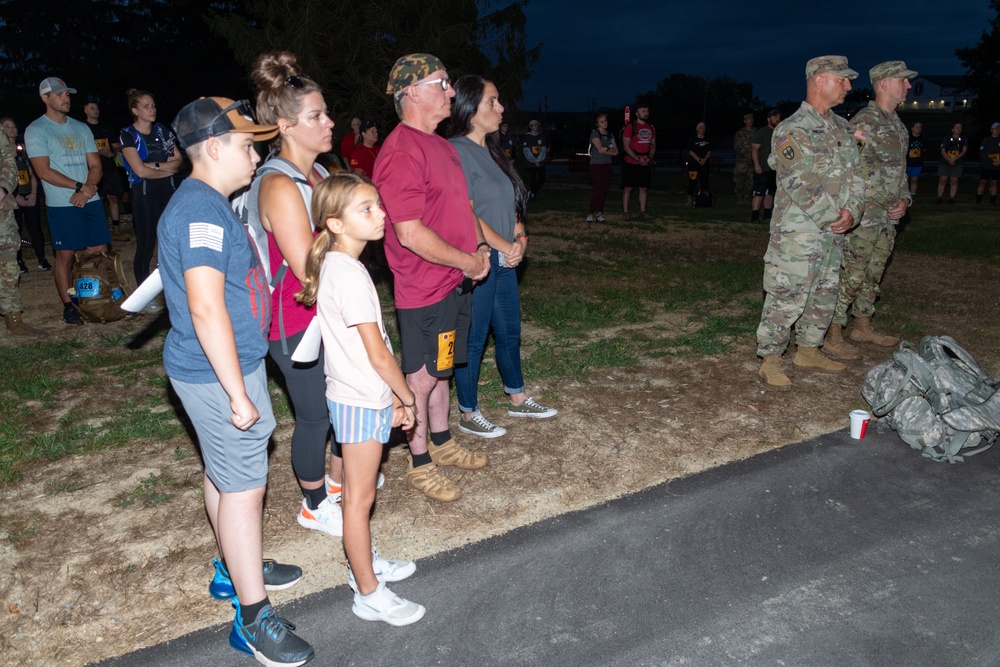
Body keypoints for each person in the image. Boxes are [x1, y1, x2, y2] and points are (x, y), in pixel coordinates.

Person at [160, 96, 314, 665]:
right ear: (215, 146)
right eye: (248, 145)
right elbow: (205, 308)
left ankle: (232, 565)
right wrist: (236, 392)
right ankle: (253, 618)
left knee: (225, 476)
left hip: (225, 366)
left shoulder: (207, 203)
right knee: (245, 490)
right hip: (216, 373)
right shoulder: (200, 210)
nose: (256, 155)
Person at [297, 172, 424, 626]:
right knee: (358, 498)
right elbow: (378, 353)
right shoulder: (347, 274)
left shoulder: (342, 265)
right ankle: (368, 591)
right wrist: (406, 395)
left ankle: (363, 564)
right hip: (359, 399)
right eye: (366, 209)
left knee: (358, 494)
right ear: (335, 223)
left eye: (378, 205)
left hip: (358, 395)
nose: (381, 215)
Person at [373, 53, 491, 502]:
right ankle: (419, 461)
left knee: (442, 370)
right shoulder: (402, 150)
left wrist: (479, 250)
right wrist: (465, 261)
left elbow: (463, 209)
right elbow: (408, 232)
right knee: (420, 378)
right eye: (441, 83)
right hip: (424, 285)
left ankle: (441, 443)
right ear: (411, 93)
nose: (451, 92)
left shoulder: (440, 144)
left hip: (454, 281)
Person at [249, 51, 346, 537]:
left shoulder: (320, 175)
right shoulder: (279, 184)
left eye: (326, 112)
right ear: (286, 126)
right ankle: (312, 503)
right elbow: (310, 263)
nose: (329, 122)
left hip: (324, 311)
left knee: (340, 402)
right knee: (315, 414)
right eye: (316, 116)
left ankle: (335, 481)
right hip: (291, 319)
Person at [447, 74, 558, 438]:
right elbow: (468, 212)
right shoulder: (456, 151)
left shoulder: (495, 149)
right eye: (491, 102)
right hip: (478, 259)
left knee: (509, 331)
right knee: (475, 337)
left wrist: (521, 238)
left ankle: (518, 397)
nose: (500, 107)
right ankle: (467, 411)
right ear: (469, 109)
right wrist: (503, 246)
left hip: (506, 257)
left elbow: (511, 203)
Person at [755, 56, 865, 390]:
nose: (848, 85)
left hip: (834, 231)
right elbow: (798, 180)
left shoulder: (844, 128)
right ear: (819, 80)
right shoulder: (792, 128)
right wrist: (834, 216)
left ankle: (808, 349)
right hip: (799, 232)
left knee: (825, 291)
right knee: (787, 294)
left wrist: (853, 213)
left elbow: (858, 176)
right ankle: (771, 358)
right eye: (842, 79)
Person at [824, 61, 915, 362]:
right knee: (853, 272)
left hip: (888, 216)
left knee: (874, 272)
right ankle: (833, 333)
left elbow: (900, 172)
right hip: (865, 215)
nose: (909, 86)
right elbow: (853, 170)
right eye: (904, 81)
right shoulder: (865, 122)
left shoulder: (898, 125)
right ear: (885, 83)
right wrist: (881, 200)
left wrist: (904, 200)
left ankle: (862, 325)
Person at [25, 77, 110, 326]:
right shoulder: (36, 129)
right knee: (66, 255)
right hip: (63, 203)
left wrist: (88, 189)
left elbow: (96, 165)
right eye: (60, 94)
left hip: (89, 198)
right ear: (45, 98)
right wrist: (78, 187)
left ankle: (96, 298)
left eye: (67, 94)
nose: (66, 98)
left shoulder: (81, 128)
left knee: (99, 251)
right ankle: (68, 305)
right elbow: (43, 171)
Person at [121, 88, 183, 295]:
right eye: (146, 106)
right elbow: (139, 171)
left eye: (153, 105)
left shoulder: (162, 131)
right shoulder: (127, 134)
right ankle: (144, 293)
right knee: (146, 244)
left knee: (173, 242)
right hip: (144, 195)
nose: (152, 110)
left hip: (169, 192)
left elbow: (179, 162)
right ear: (135, 110)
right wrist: (164, 166)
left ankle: (174, 287)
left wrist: (152, 166)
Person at [1, 130, 44, 336]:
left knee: (8, 264)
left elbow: (9, 161)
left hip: (1, 208)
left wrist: (2, 189)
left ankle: (14, 319)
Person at [2, 117, 51, 272]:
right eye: (7, 126)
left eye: (14, 126)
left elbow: (33, 172)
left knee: (35, 226)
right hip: (10, 197)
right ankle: (19, 261)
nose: (11, 129)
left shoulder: (24, 148)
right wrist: (16, 196)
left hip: (29, 193)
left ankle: (42, 259)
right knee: (15, 229)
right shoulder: (3, 153)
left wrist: (33, 193)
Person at [82, 98, 126, 240]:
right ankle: (100, 230)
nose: (96, 110)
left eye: (97, 108)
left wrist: (117, 149)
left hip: (110, 167)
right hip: (93, 169)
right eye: (92, 108)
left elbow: (115, 145)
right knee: (98, 199)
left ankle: (117, 230)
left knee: (113, 198)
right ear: (85, 110)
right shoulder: (83, 128)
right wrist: (99, 152)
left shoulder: (106, 126)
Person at [621, 103, 655, 220]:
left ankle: (643, 212)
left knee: (643, 188)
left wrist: (649, 158)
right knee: (628, 188)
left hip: (645, 163)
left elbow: (653, 145)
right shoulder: (631, 127)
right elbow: (626, 146)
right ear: (636, 113)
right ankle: (625, 212)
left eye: (647, 111)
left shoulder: (651, 127)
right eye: (643, 111)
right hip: (631, 162)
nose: (645, 113)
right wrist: (637, 159)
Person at [751, 110, 781, 223]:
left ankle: (767, 215)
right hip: (763, 167)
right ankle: (754, 216)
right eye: (774, 117)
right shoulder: (762, 133)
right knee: (759, 193)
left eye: (778, 117)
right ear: (768, 119)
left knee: (770, 193)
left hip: (775, 168)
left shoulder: (780, 133)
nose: (777, 119)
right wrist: (757, 164)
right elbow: (754, 149)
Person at [587, 112, 618, 223]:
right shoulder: (595, 134)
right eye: (602, 121)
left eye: (605, 121)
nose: (605, 123)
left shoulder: (610, 134)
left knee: (604, 189)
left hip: (607, 164)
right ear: (597, 123)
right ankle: (591, 213)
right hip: (596, 164)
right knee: (598, 188)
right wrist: (609, 148)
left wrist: (607, 149)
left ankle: (600, 212)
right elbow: (600, 149)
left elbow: (616, 152)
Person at [937, 122, 967, 204]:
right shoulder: (947, 138)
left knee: (954, 180)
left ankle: (952, 197)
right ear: (952, 129)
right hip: (945, 162)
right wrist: (949, 159)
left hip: (958, 163)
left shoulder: (964, 139)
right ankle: (939, 197)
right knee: (943, 179)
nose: (958, 129)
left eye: (960, 127)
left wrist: (954, 159)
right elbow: (943, 150)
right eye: (957, 127)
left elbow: (964, 151)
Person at [685, 122, 711, 206]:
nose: (702, 129)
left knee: (704, 182)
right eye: (701, 127)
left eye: (704, 127)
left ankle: (704, 199)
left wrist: (705, 159)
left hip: (705, 164)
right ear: (697, 129)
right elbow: (690, 151)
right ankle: (689, 199)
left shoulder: (707, 139)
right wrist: (699, 159)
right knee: (693, 181)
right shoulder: (693, 139)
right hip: (694, 164)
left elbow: (709, 150)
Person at [522, 119, 547, 200]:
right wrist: (534, 161)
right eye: (534, 125)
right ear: (531, 126)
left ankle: (532, 193)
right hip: (530, 163)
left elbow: (543, 149)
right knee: (533, 179)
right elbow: (527, 151)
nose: (536, 126)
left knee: (542, 178)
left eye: (537, 125)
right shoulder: (527, 137)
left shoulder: (541, 136)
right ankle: (533, 197)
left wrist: (539, 160)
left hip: (540, 162)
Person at [976, 122, 1000, 205]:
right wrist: (992, 161)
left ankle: (992, 200)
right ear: (991, 130)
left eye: (998, 128)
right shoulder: (986, 139)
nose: (997, 130)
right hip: (986, 165)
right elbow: (982, 153)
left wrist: (998, 162)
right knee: (983, 182)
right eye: (995, 128)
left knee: (994, 182)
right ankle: (978, 199)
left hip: (997, 166)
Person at [733, 113, 755, 204]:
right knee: (739, 180)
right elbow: (737, 147)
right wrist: (746, 155)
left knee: (750, 180)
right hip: (741, 161)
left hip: (753, 162)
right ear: (745, 121)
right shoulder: (740, 133)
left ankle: (746, 197)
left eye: (751, 118)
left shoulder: (756, 132)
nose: (750, 120)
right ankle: (739, 197)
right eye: (748, 119)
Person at [906, 121, 926, 201]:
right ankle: (904, 196)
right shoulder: (907, 138)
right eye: (916, 127)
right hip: (907, 162)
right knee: (905, 180)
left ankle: (912, 196)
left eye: (920, 127)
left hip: (917, 163)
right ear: (912, 128)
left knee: (914, 180)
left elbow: (924, 149)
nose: (918, 129)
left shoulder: (923, 138)